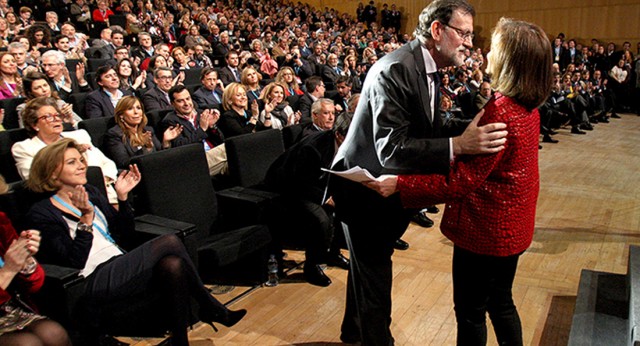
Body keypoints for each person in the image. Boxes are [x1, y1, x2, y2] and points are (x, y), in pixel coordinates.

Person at [330, 1, 508, 344]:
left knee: (367, 274)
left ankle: (352, 332)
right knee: (376, 286)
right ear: (438, 30)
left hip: (382, 191)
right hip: (365, 191)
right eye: (464, 33)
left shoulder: (428, 66)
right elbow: (392, 149)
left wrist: (469, 128)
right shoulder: (395, 69)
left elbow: (427, 127)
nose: (470, 43)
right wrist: (459, 145)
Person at [366, 17, 552, 346]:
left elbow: (461, 181)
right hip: (512, 227)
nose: (486, 53)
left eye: (494, 48)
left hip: (485, 232)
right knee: (502, 303)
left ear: (509, 59)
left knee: (470, 311)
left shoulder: (501, 110)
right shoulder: (528, 106)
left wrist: (401, 185)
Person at [25, 139, 246, 346]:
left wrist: (122, 198)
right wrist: (85, 220)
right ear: (52, 172)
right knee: (169, 241)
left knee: (172, 265)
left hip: (119, 262)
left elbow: (125, 234)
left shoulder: (92, 192)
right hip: (90, 278)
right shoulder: (43, 212)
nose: (82, 165)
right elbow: (74, 261)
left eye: (81, 160)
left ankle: (180, 341)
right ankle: (209, 306)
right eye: (72, 162)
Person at [264, 100, 351, 287]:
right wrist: (327, 199)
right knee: (321, 218)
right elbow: (299, 182)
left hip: (315, 184)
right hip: (287, 188)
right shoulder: (313, 148)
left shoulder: (342, 144)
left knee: (347, 205)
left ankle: (333, 254)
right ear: (339, 135)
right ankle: (312, 266)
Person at [0, 175, 71, 345]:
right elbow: (9, 269)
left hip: (8, 310)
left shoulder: (1, 221)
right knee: (27, 344)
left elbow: (35, 284)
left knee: (54, 333)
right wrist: (8, 270)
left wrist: (26, 261)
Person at [12, 97, 119, 203]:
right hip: (65, 201)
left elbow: (108, 163)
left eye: (57, 115)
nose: (57, 119)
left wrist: (102, 180)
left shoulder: (79, 136)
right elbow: (37, 179)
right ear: (34, 125)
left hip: (105, 194)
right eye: (48, 117)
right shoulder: (23, 148)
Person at [105, 95, 183, 169]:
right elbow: (123, 163)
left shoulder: (148, 130)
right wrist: (146, 149)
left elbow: (161, 154)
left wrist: (166, 141)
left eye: (138, 108)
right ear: (121, 115)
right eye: (130, 109)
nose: (136, 112)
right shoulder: (115, 134)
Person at [17, 71, 82, 129]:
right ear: (30, 92)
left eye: (45, 85)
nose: (44, 90)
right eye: (38, 88)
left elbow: (81, 124)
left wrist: (71, 120)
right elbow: (26, 132)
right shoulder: (24, 108)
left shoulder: (60, 103)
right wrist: (60, 118)